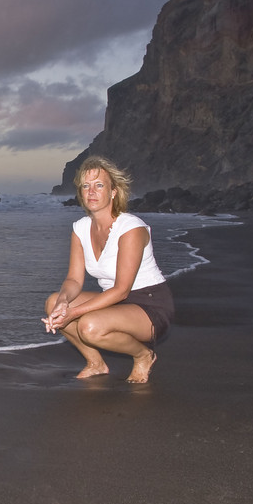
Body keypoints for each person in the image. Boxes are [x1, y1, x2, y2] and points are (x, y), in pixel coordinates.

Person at [43, 156, 174, 383]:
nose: (91, 191)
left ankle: (144, 355)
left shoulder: (131, 228)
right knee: (53, 304)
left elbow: (122, 290)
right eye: (86, 186)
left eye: (99, 185)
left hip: (149, 304)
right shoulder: (80, 228)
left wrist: (72, 313)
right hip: (114, 302)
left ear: (113, 191)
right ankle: (96, 363)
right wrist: (64, 302)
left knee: (88, 326)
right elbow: (74, 279)